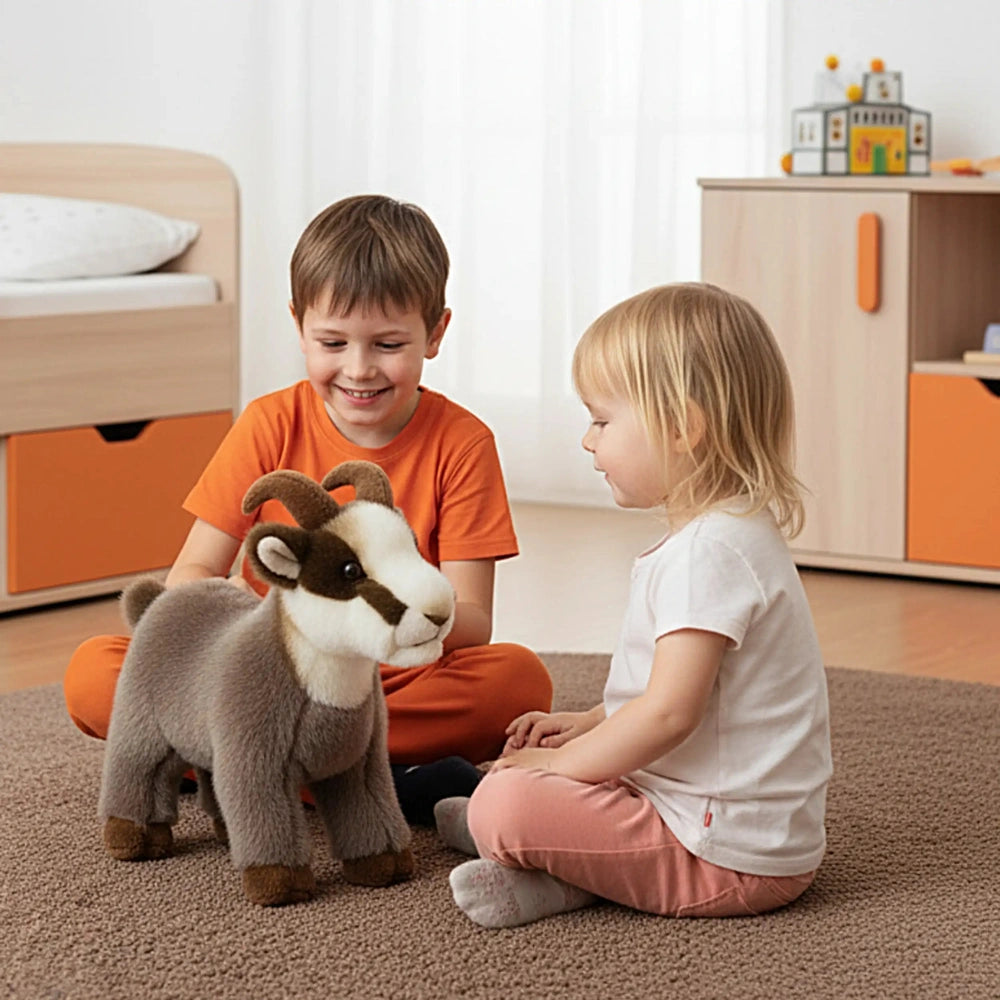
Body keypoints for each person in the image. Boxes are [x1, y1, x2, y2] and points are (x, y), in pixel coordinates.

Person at [63, 194, 553, 824]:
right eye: (332, 342)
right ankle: (365, 779)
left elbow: (473, 619)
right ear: (298, 326)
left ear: (435, 333)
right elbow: (190, 576)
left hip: (386, 679)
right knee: (93, 673)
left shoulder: (463, 443)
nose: (358, 369)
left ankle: (242, 766)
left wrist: (367, 630)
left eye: (387, 344)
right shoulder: (268, 422)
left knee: (515, 682)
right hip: (255, 677)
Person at [435, 282, 833, 927]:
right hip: (717, 820)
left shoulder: (709, 553)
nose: (588, 442)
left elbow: (670, 714)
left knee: (503, 800)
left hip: (726, 856)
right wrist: (594, 721)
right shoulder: (727, 533)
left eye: (600, 419)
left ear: (683, 427)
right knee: (520, 788)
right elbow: (696, 696)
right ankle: (550, 856)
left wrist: (559, 766)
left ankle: (547, 862)